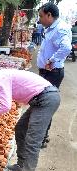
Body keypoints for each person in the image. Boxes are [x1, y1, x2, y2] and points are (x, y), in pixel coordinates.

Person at [37, 2, 72, 148]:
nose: (40, 19)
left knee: (46, 104)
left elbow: (66, 47)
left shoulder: (60, 28)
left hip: (52, 73)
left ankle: (42, 137)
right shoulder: (51, 28)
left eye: (41, 16)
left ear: (49, 15)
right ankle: (41, 134)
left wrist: (52, 60)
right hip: (47, 72)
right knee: (41, 102)